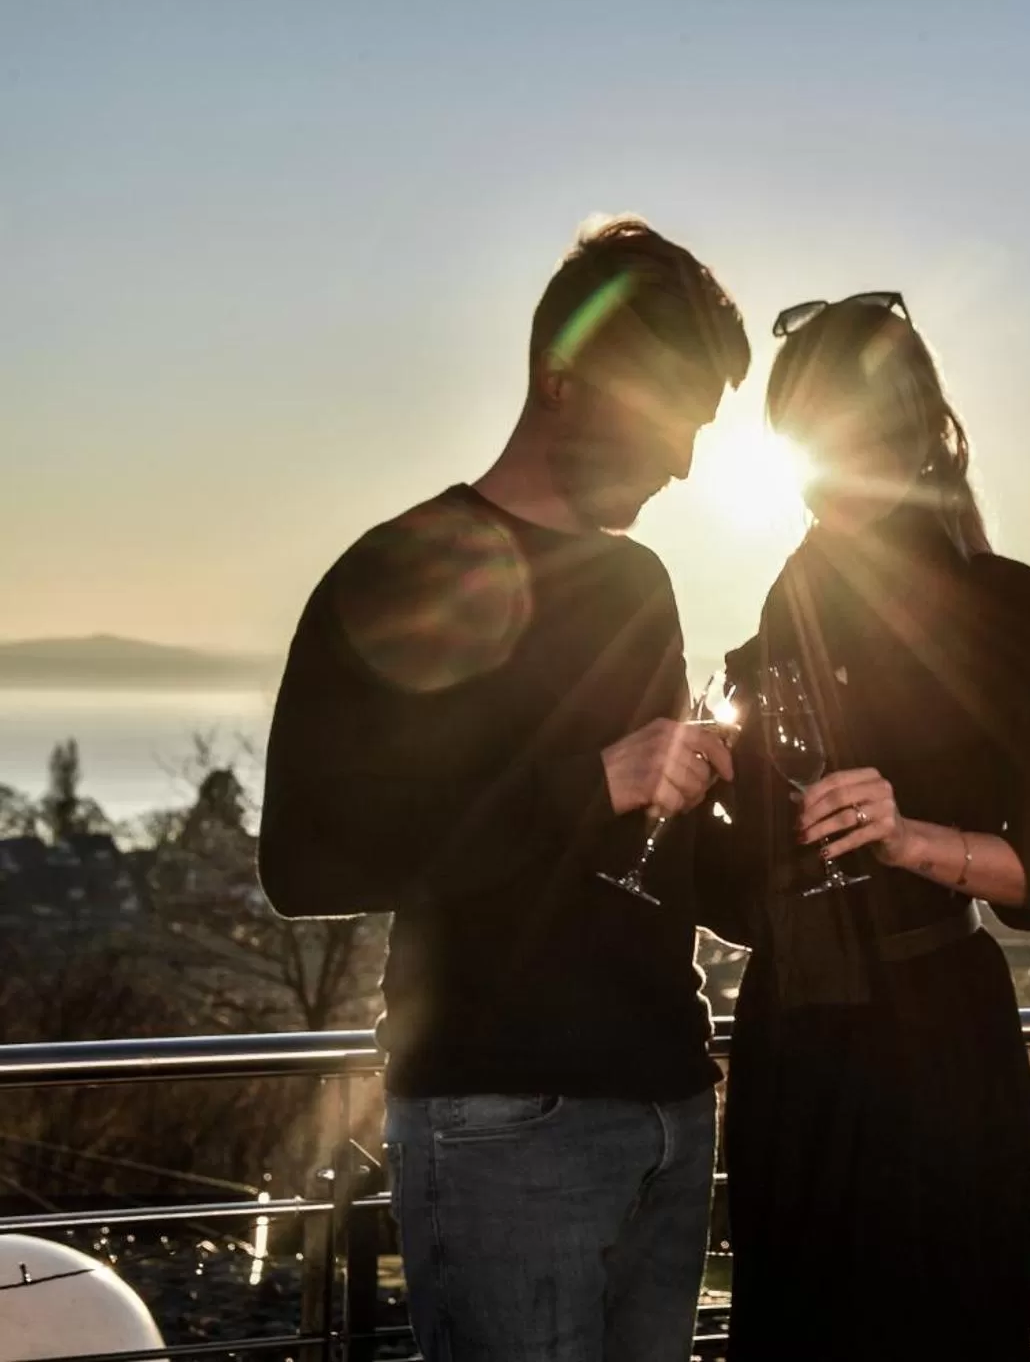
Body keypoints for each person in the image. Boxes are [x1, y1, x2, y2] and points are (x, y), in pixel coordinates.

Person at [258, 215, 750, 1361]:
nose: (682, 461)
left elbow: (649, 858)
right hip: (498, 1124)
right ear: (562, 381)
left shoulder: (639, 587)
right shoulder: (399, 569)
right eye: (667, 418)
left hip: (671, 1116)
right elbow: (307, 858)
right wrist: (590, 782)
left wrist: (817, 831)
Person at [704, 293, 1030, 1359]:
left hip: (935, 1059)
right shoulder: (772, 623)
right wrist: (688, 785)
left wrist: (913, 838)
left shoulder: (1002, 608)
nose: (816, 465)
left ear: (903, 433)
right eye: (798, 438)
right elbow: (747, 895)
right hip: (791, 1054)